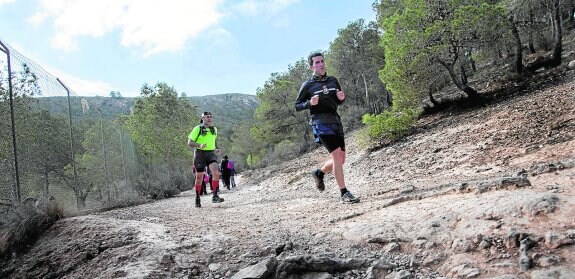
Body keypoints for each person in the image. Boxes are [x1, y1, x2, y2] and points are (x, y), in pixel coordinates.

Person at [295, 51, 360, 204]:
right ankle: (344, 193)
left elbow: (337, 102)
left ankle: (319, 173)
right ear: (311, 67)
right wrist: (310, 103)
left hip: (335, 121)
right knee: (337, 156)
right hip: (320, 123)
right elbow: (297, 106)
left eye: (322, 61)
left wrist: (341, 99)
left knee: (341, 159)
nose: (321, 64)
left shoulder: (333, 81)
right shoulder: (308, 85)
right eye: (317, 62)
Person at [187, 111, 225, 208]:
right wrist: (200, 145)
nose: (209, 118)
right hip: (200, 153)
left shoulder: (214, 129)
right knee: (199, 178)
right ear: (202, 118)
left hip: (211, 153)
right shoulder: (197, 129)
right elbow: (190, 143)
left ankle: (215, 196)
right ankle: (197, 198)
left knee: (216, 173)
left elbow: (214, 140)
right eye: (207, 117)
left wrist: (216, 148)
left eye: (210, 117)